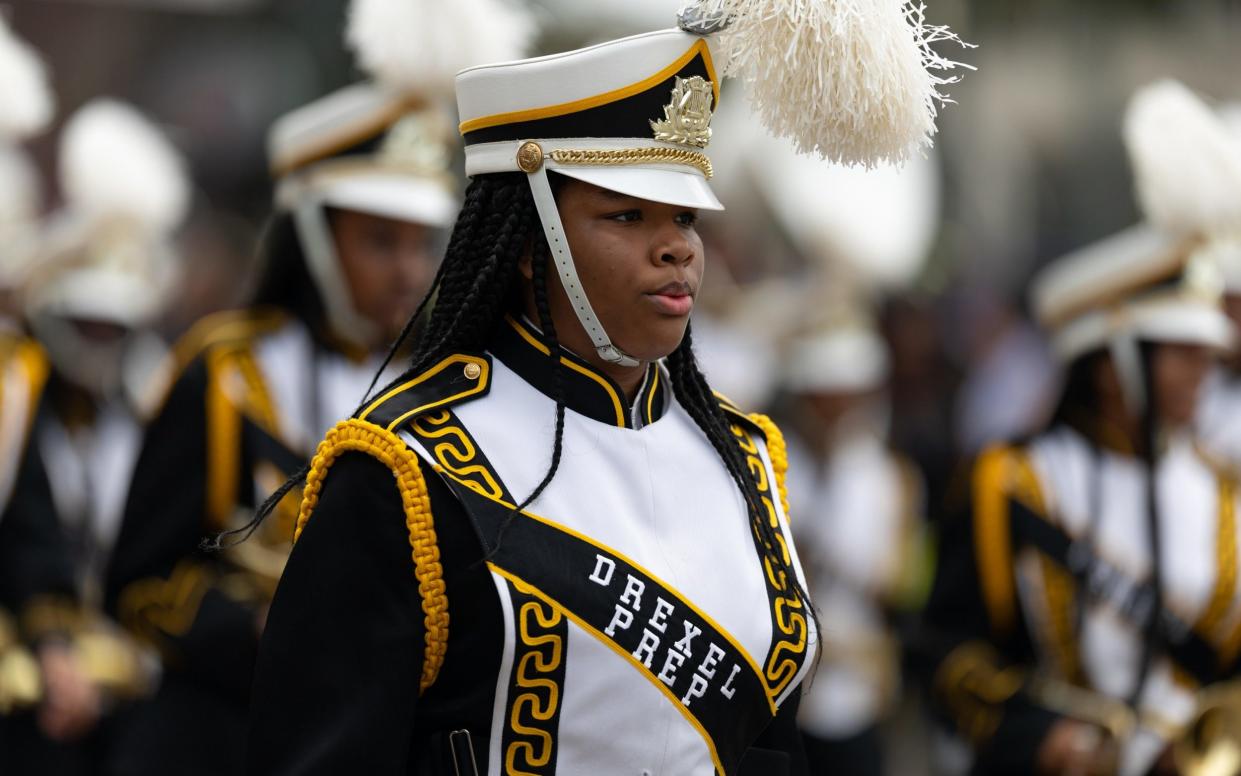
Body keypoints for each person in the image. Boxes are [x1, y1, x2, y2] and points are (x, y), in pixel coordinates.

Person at [246, 0, 968, 772]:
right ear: (528, 244)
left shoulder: (747, 458)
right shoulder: (404, 467)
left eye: (686, 219)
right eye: (627, 215)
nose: (676, 252)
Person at [101, 0, 508, 772]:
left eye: (423, 242)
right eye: (378, 240)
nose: (408, 271)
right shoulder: (224, 374)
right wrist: (254, 630)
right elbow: (139, 583)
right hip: (218, 736)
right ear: (313, 236)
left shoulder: (452, 387)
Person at [921, 80, 1241, 776]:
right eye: (1181, 354)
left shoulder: (1225, 493)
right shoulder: (1008, 483)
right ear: (1109, 365)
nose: (1202, 372)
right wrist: (1043, 737)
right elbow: (942, 654)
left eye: (1207, 354)